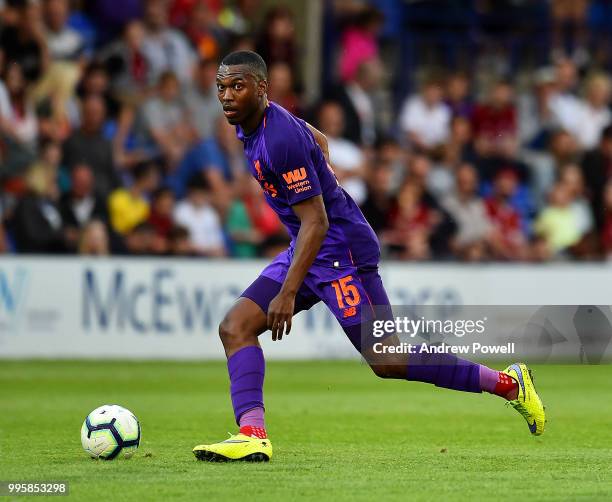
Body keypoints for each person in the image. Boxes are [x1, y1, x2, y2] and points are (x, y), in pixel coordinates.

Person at [192, 51, 546, 463]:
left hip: (338, 248)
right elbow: (319, 142)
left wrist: (287, 293)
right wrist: (322, 169)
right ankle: (252, 434)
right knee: (235, 326)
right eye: (222, 87)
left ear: (262, 88)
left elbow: (318, 222)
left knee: (386, 358)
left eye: (238, 86)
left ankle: (508, 383)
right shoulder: (259, 123)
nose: (227, 96)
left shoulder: (278, 139)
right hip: (310, 245)